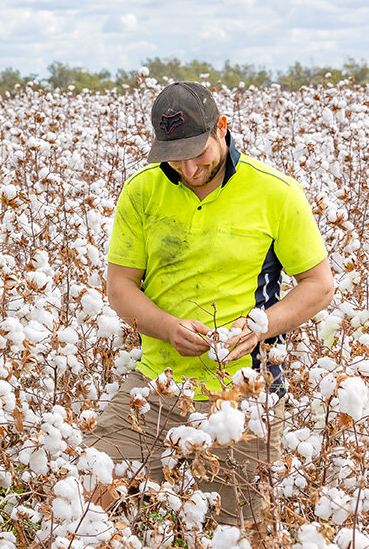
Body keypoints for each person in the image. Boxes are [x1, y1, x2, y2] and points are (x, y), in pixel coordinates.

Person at [91, 81, 333, 538]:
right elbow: (121, 286)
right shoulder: (142, 192)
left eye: (196, 153)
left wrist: (259, 327)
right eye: (173, 155)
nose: (186, 167)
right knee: (89, 488)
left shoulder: (276, 193)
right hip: (156, 382)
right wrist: (168, 327)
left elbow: (318, 287)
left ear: (222, 129)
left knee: (240, 533)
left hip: (244, 391)